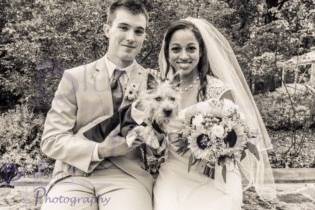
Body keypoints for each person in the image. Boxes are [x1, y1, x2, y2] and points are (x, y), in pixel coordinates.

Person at [40, 1, 155, 209]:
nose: (131, 37)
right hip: (73, 175)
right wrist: (100, 150)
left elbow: (160, 143)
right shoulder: (74, 77)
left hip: (127, 178)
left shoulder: (153, 82)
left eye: (139, 31)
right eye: (123, 27)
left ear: (144, 36)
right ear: (107, 30)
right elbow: (51, 139)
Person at [154, 17, 276, 210]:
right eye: (176, 48)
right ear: (167, 52)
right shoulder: (159, 91)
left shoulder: (218, 90)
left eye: (191, 48)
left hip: (216, 179)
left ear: (201, 52)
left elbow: (238, 140)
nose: (183, 55)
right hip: (174, 174)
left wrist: (216, 145)